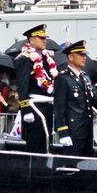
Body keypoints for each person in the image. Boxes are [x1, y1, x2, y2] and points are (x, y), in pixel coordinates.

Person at [54, 40, 97, 156]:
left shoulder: (85, 77)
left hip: (87, 130)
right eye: (81, 55)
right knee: (72, 165)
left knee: (86, 163)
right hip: (73, 131)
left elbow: (95, 98)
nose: (84, 57)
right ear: (70, 57)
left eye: (85, 54)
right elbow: (59, 108)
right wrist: (63, 132)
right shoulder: (63, 78)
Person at [14, 24, 58, 153]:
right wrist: (26, 109)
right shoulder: (24, 59)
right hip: (34, 106)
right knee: (35, 141)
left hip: (47, 105)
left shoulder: (46, 59)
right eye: (40, 38)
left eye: (45, 37)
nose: (44, 40)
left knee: (47, 139)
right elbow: (23, 85)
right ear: (31, 40)